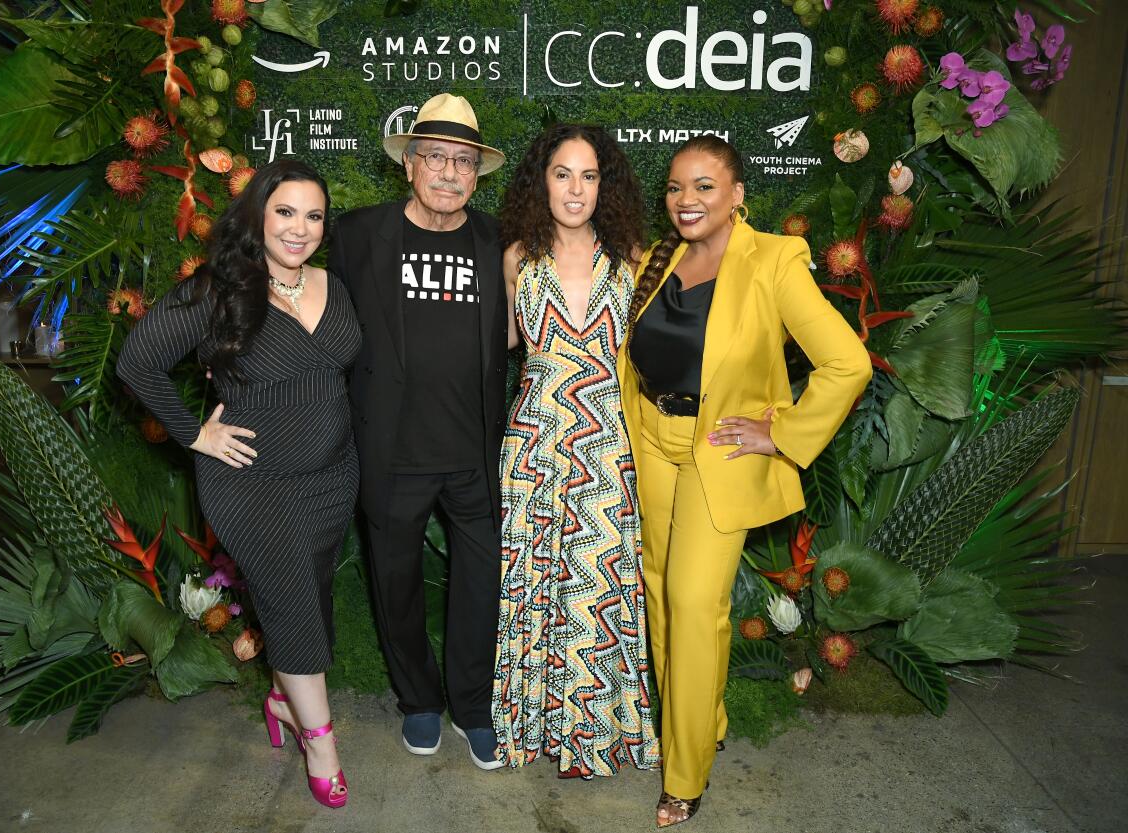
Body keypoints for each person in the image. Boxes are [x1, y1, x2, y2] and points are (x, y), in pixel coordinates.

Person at [618, 136, 871, 827]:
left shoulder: (772, 261)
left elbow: (847, 362)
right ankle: (700, 724)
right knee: (664, 603)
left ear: (736, 195)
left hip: (717, 456)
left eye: (704, 186)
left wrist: (781, 432)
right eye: (674, 188)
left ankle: (685, 775)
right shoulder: (661, 257)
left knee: (697, 606)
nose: (686, 200)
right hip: (654, 448)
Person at [117, 160, 359, 808]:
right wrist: (193, 433)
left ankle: (282, 696)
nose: (299, 228)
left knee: (309, 597)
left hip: (332, 481)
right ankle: (321, 743)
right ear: (257, 213)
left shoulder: (334, 285)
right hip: (252, 485)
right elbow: (138, 359)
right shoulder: (219, 290)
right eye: (285, 211)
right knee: (289, 605)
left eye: (313, 215)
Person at [327, 93, 509, 769]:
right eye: (435, 157)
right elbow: (308, 310)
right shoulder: (355, 235)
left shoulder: (498, 243)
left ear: (476, 173)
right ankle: (420, 701)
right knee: (395, 585)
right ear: (410, 165)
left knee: (481, 584)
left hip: (474, 453)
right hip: (391, 452)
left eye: (464, 161)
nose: (450, 173)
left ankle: (472, 703)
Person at [492, 123, 660, 778]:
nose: (575, 188)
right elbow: (496, 348)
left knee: (595, 587)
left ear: (605, 186)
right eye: (563, 173)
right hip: (533, 444)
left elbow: (665, 354)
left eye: (589, 176)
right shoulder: (516, 260)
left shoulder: (634, 262)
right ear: (542, 180)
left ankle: (590, 733)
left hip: (605, 444)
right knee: (533, 585)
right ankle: (530, 724)